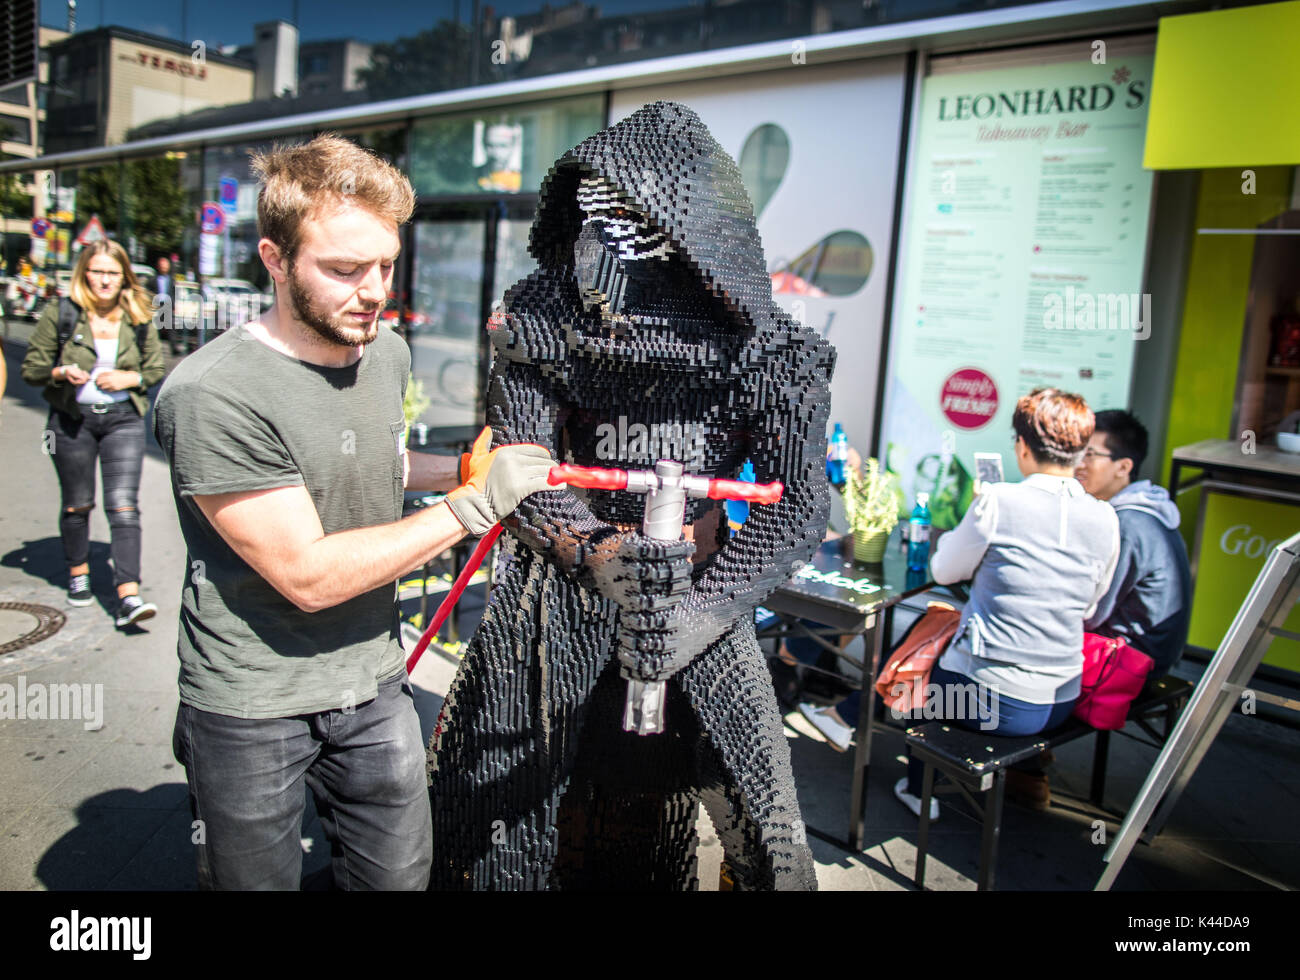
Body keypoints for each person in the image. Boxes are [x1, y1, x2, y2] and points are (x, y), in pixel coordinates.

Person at [152, 133, 561, 890]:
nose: (372, 290)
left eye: (385, 265)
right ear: (274, 261)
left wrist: (464, 470)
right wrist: (474, 505)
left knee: (397, 879)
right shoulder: (213, 395)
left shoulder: (387, 353)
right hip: (252, 703)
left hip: (372, 682)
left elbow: (375, 463)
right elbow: (306, 575)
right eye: (343, 269)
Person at [801, 388, 1119, 816]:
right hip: (1061, 697)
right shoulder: (1106, 517)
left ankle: (917, 786)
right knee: (936, 631)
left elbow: (945, 570)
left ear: (1022, 446)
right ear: (1080, 452)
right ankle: (842, 718)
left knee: (918, 662)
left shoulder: (1000, 501)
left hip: (991, 700)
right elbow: (1092, 610)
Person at [20, 239, 164, 627]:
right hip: (72, 420)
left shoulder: (138, 315)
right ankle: (78, 570)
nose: (105, 280)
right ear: (85, 273)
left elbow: (155, 370)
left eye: (113, 273)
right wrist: (61, 372)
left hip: (122, 420)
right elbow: (32, 368)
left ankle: (128, 596)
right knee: (78, 504)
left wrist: (128, 377)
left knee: (123, 505)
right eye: (97, 271)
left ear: (124, 277)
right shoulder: (62, 312)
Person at [1075, 409, 1191, 679]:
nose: (1079, 462)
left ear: (1124, 467)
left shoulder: (1128, 524)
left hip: (1126, 663)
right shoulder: (1146, 509)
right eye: (1078, 451)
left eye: (1090, 454)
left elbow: (1090, 613)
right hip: (1151, 654)